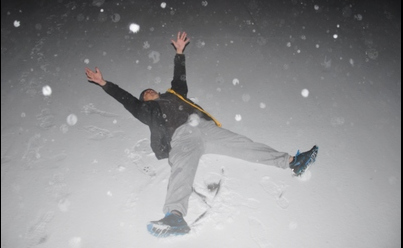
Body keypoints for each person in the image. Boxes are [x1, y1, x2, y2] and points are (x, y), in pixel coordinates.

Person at [85, 32, 318, 237]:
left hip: (204, 127)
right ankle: (175, 216)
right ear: (143, 101)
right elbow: (126, 99)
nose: (148, 92)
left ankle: (291, 162)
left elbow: (179, 79)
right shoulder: (145, 111)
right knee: (182, 169)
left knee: (242, 144)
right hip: (181, 138)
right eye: (144, 94)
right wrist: (104, 83)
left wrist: (179, 52)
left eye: (150, 90)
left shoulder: (174, 94)